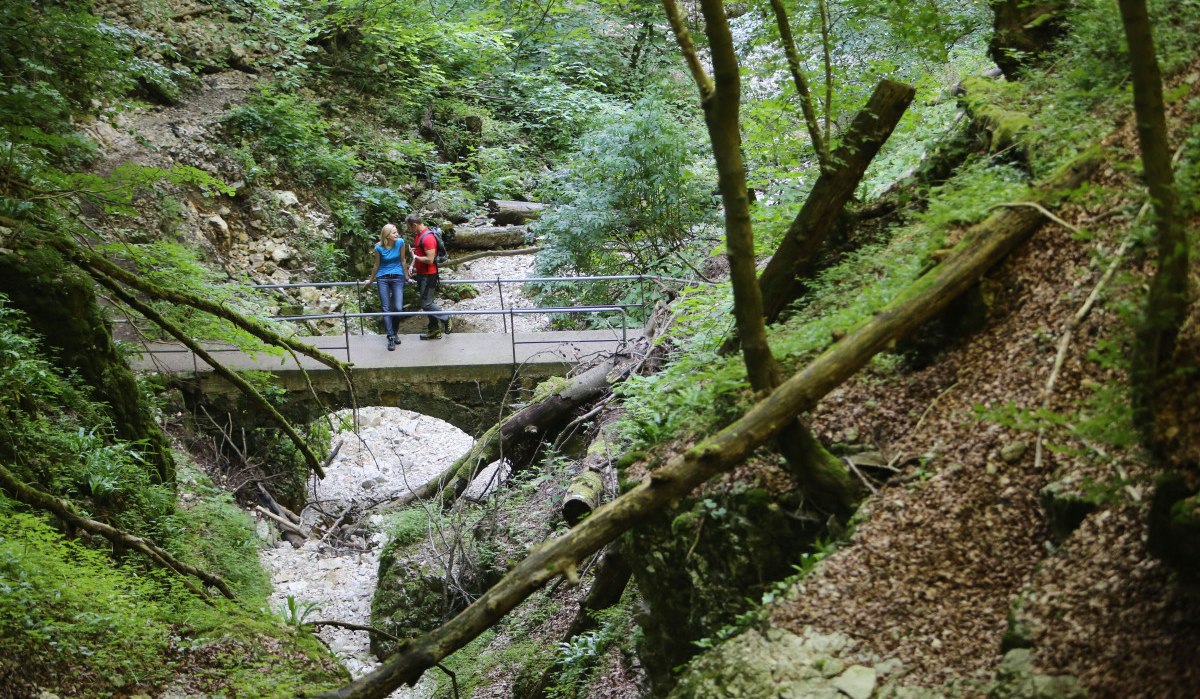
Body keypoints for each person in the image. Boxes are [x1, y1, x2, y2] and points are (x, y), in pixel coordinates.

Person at [362, 223, 412, 351]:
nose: (397, 234)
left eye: (396, 232)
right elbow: (376, 265)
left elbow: (403, 260)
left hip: (397, 277)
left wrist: (406, 276)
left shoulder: (400, 242)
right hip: (382, 278)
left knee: (398, 308)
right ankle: (390, 337)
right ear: (387, 235)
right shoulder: (378, 248)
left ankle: (395, 332)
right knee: (386, 308)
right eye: (394, 233)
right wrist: (370, 280)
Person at [406, 212, 450, 340]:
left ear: (414, 225)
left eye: (409, 227)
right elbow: (420, 254)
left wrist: (415, 257)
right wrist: (412, 263)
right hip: (421, 274)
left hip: (429, 275)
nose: (408, 230)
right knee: (428, 303)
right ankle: (434, 330)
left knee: (426, 304)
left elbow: (430, 259)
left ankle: (446, 318)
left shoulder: (427, 238)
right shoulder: (418, 235)